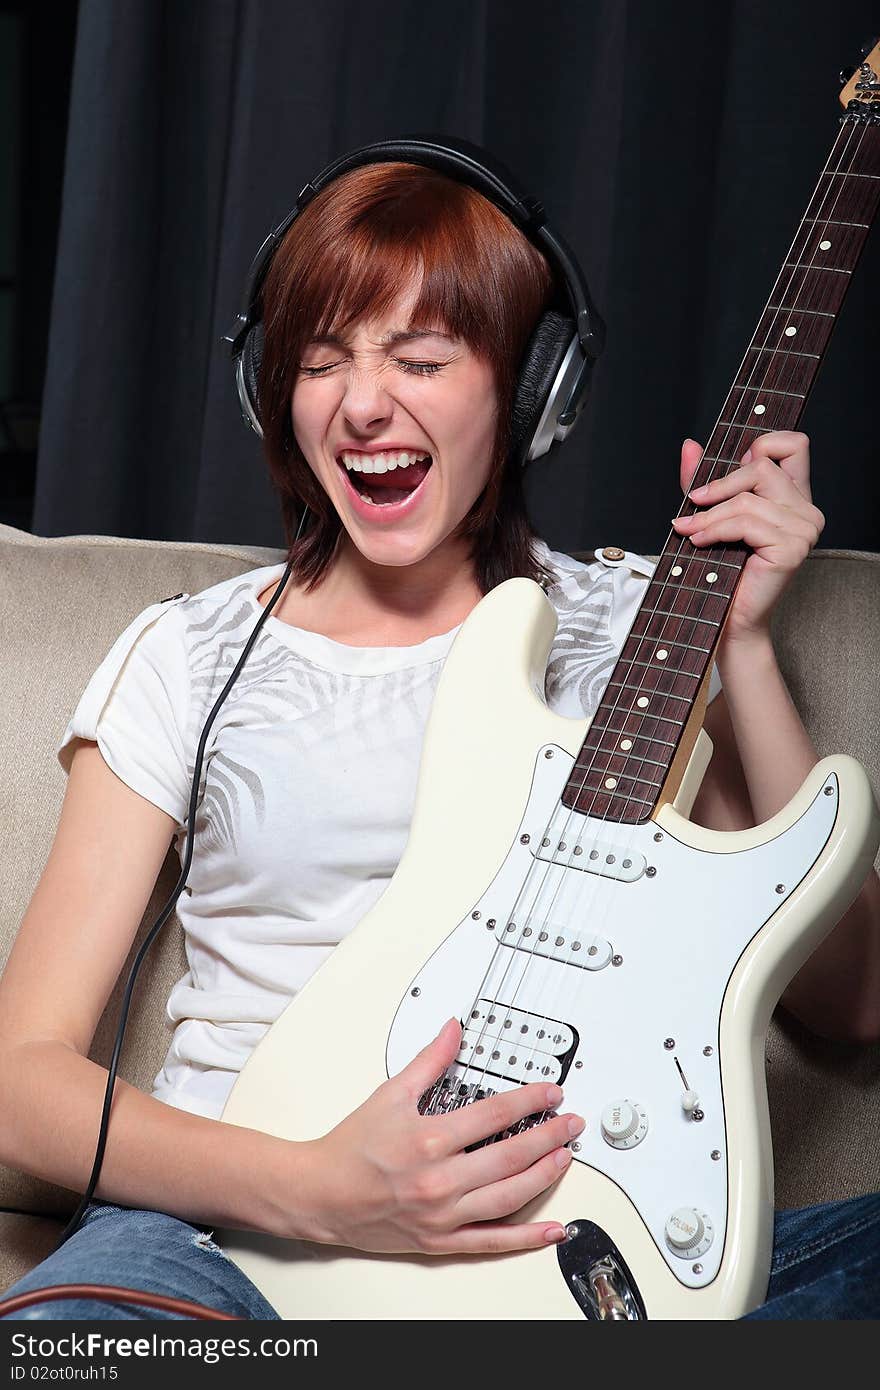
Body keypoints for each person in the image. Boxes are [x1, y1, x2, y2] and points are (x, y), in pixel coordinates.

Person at [0, 154, 878, 1323]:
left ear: (531, 392)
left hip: (581, 1240)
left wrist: (747, 641)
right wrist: (321, 1190)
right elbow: (21, 1081)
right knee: (78, 1350)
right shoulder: (190, 654)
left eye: (419, 359)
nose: (363, 404)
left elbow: (849, 1003)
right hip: (226, 1232)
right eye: (320, 362)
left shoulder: (640, 638)